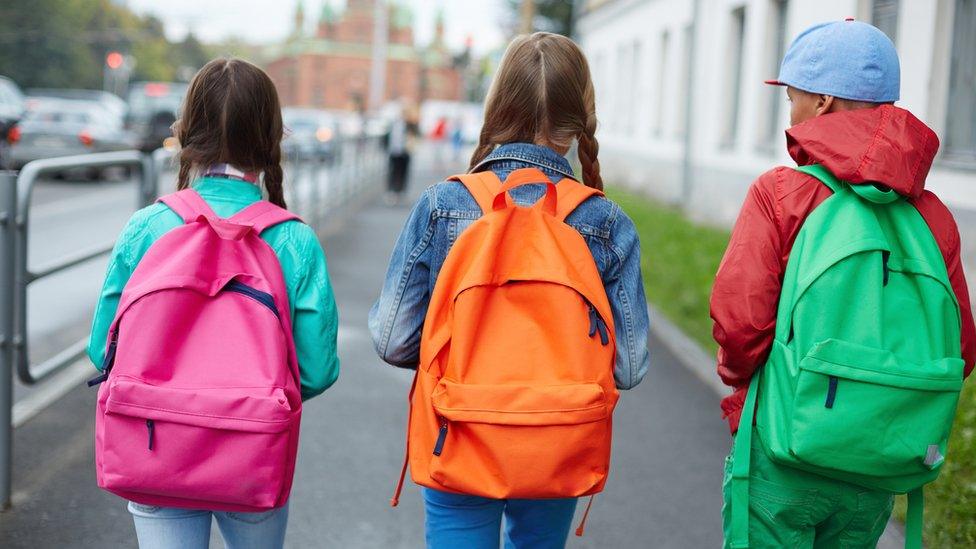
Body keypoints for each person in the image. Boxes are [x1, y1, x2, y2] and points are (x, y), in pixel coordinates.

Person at [369, 32, 650, 549]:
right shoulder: (606, 221)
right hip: (556, 435)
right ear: (580, 117)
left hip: (457, 428)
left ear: (497, 103)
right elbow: (629, 368)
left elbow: (393, 341)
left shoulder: (443, 204)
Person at [711, 20, 975, 548]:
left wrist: (746, 395)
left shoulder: (781, 193)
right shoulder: (932, 216)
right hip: (877, 462)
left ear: (822, 102)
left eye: (793, 97)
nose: (791, 111)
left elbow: (740, 326)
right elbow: (962, 346)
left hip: (785, 447)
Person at [87, 58, 340, 549]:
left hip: (153, 443)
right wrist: (243, 405)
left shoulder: (148, 227)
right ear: (272, 136)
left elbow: (103, 352)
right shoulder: (292, 240)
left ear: (186, 130)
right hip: (251, 450)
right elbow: (316, 370)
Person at [386, 101, 418, 205]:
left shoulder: (411, 124)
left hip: (405, 152)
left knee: (403, 172)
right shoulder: (394, 123)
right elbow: (388, 136)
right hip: (394, 151)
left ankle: (400, 192)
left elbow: (416, 135)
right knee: (393, 172)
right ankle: (392, 192)